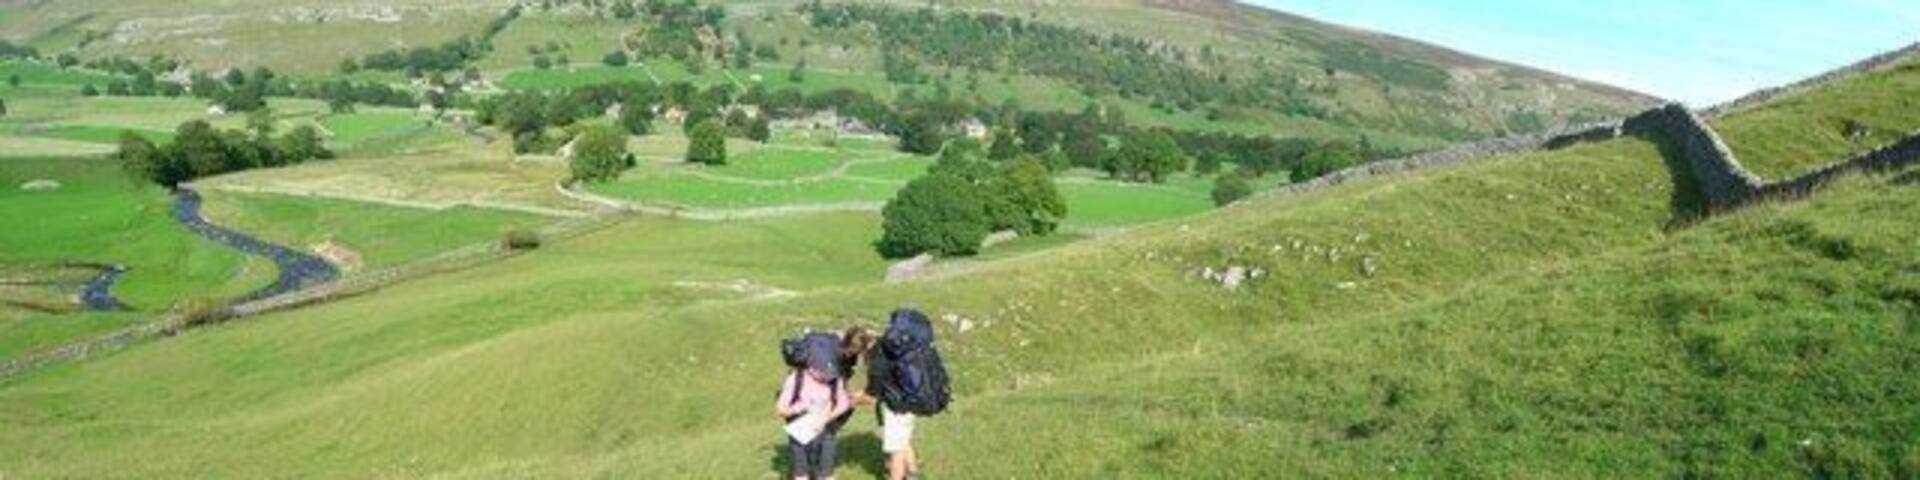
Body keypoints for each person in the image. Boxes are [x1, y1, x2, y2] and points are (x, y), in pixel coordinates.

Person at [868, 309, 949, 480]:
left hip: (896, 406)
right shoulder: (911, 345)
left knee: (896, 449)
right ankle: (912, 472)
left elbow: (874, 386)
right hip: (912, 401)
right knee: (903, 438)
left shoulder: (883, 350)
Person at [776, 334, 853, 480]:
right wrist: (801, 407)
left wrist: (827, 418)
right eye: (823, 373)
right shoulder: (796, 379)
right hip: (800, 432)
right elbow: (780, 409)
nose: (827, 377)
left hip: (826, 431)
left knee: (827, 474)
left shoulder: (835, 379)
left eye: (830, 374)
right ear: (811, 366)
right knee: (801, 475)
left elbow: (844, 403)